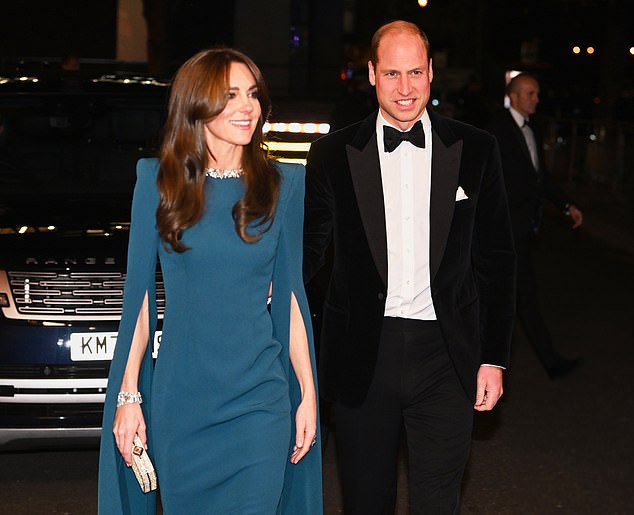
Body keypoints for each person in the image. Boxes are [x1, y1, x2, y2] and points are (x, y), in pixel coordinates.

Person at [303, 21, 516, 514]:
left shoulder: (477, 149)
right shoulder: (333, 154)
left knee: (438, 502)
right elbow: (308, 254)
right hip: (363, 354)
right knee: (365, 502)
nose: (405, 88)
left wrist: (494, 357)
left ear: (432, 72)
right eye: (393, 73)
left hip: (447, 354)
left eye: (415, 72)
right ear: (372, 74)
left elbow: (498, 262)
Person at [98, 48, 322, 514]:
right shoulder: (158, 183)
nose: (249, 108)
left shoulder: (284, 186)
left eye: (254, 95)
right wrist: (128, 394)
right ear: (196, 104)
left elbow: (292, 299)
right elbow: (138, 303)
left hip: (259, 403)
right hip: (182, 404)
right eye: (231, 95)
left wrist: (307, 393)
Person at [484, 72, 583, 380]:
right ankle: (535, 362)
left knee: (517, 299)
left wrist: (566, 204)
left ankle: (495, 363)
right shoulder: (495, 130)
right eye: (530, 93)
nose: (536, 99)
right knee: (517, 298)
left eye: (537, 93)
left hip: (523, 228)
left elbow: (541, 177)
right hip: (504, 231)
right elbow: (484, 178)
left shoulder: (532, 128)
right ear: (513, 96)